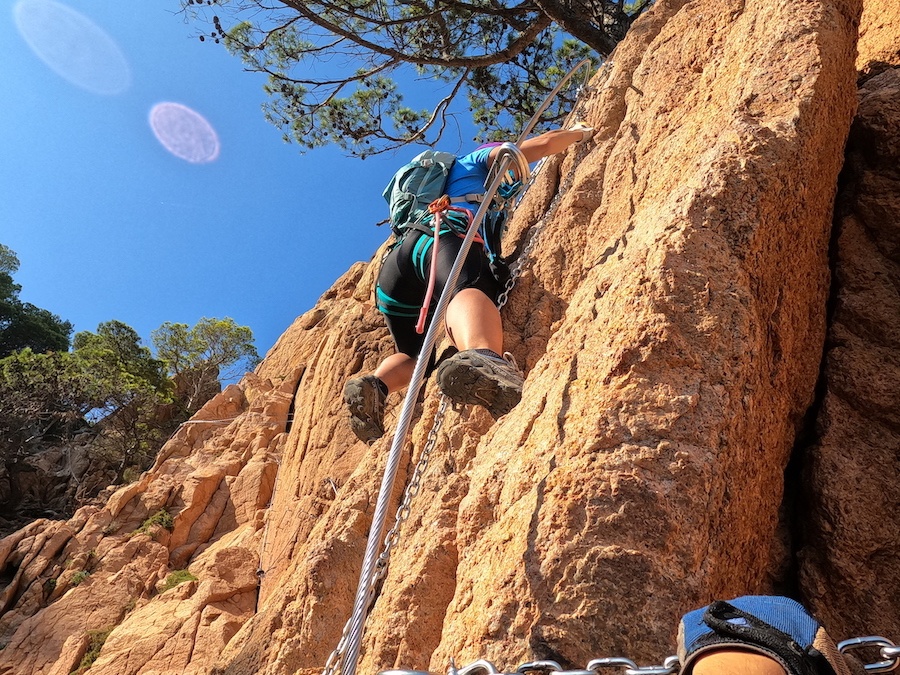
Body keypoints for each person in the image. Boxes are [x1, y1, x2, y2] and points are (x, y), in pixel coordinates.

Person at [344, 124, 595, 442]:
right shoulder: (472, 160)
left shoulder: (418, 202)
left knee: (418, 354)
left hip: (395, 269)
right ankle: (483, 357)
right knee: (467, 286)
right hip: (444, 232)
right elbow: (540, 145)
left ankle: (376, 386)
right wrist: (580, 133)